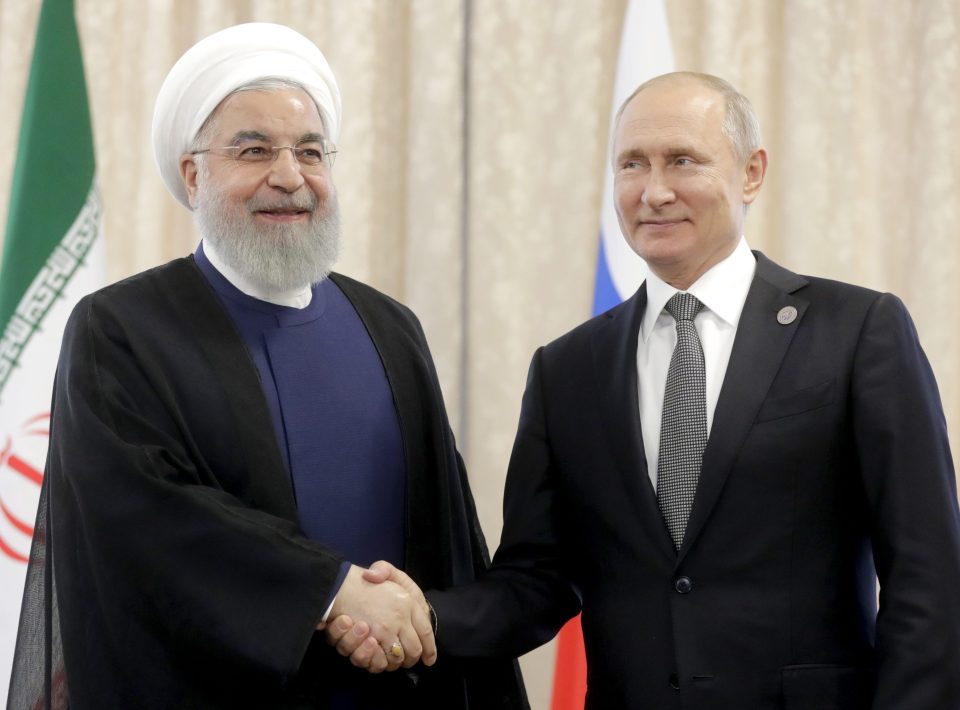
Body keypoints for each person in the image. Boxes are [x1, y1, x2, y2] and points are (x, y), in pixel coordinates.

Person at [332, 72, 960, 708]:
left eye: (682, 160)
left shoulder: (857, 331)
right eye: (632, 164)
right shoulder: (567, 369)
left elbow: (929, 574)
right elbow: (538, 580)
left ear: (751, 172)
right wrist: (424, 619)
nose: (654, 192)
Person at [6, 23, 525, 710]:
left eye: (311, 151)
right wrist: (333, 589)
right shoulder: (121, 329)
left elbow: (449, 538)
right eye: (254, 150)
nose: (289, 176)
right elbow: (148, 524)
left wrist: (410, 617)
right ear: (195, 175)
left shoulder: (391, 329)